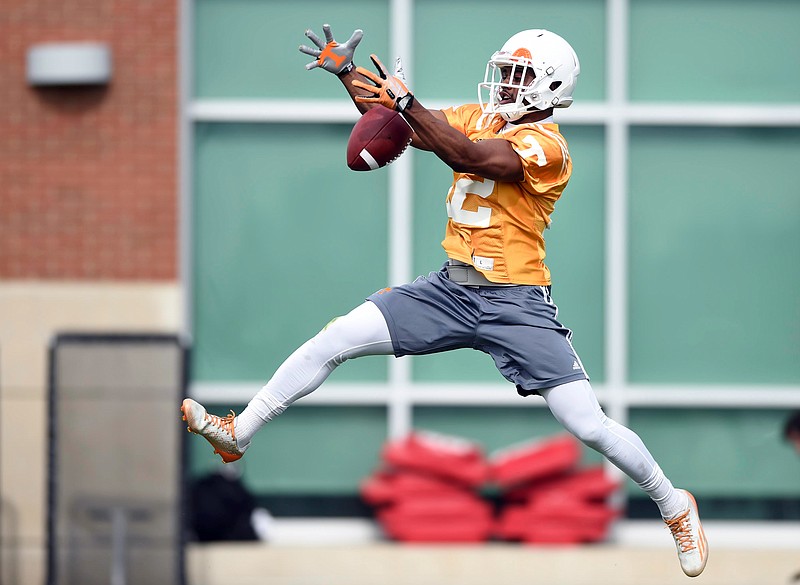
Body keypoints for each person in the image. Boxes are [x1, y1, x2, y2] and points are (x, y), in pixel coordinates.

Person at [181, 23, 708, 577]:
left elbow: (475, 158)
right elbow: (404, 124)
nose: (505, 85)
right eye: (504, 73)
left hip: (516, 302)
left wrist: (410, 105)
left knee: (588, 424)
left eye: (520, 76)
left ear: (550, 88)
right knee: (336, 338)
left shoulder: (548, 146)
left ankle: (674, 505)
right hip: (449, 289)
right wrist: (348, 77)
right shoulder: (482, 117)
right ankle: (239, 433)